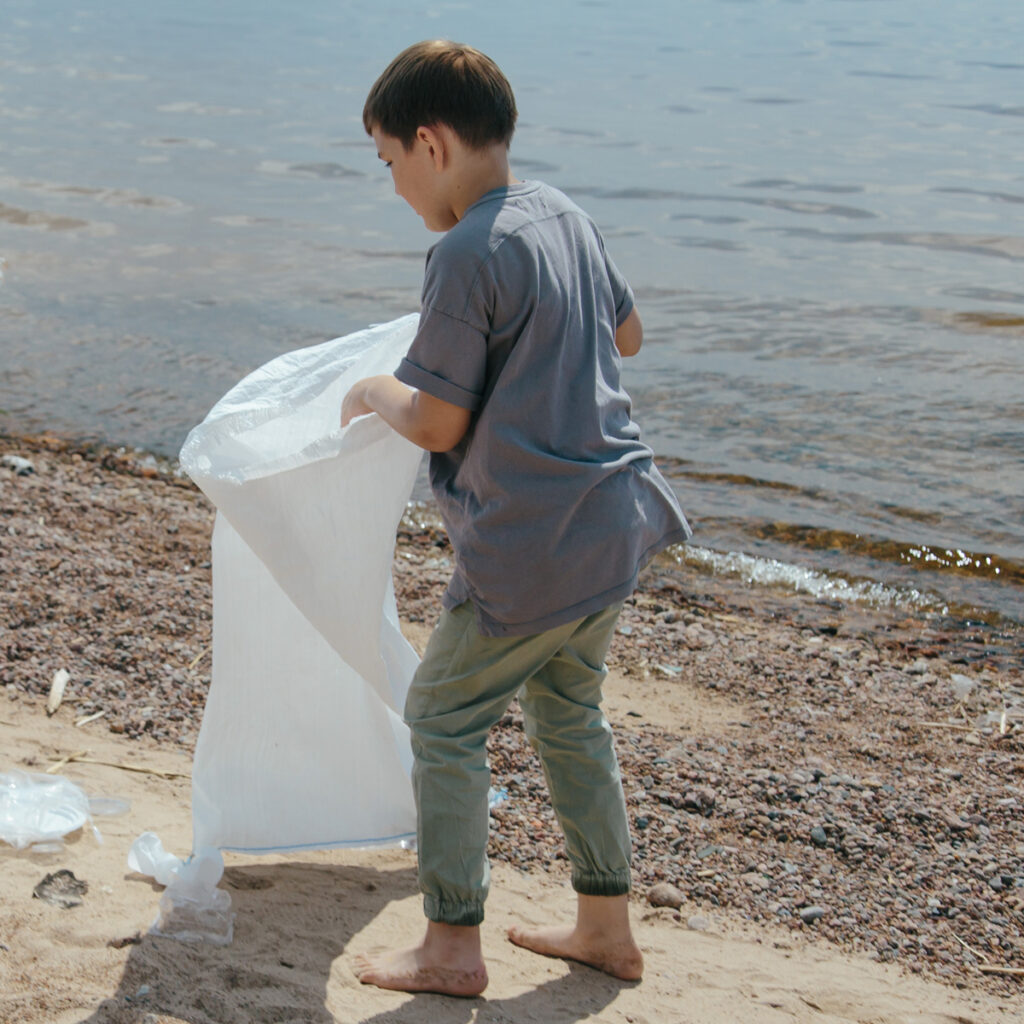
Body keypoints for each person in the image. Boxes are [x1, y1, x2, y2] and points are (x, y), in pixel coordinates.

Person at [341, 40, 691, 997]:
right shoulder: (562, 214)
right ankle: (606, 928)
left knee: (443, 718)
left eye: (390, 164)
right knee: (571, 712)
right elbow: (627, 333)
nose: (396, 188)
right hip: (615, 520)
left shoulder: (461, 253)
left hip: (532, 547)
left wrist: (377, 389)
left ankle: (451, 947)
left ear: (431, 143)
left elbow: (438, 418)